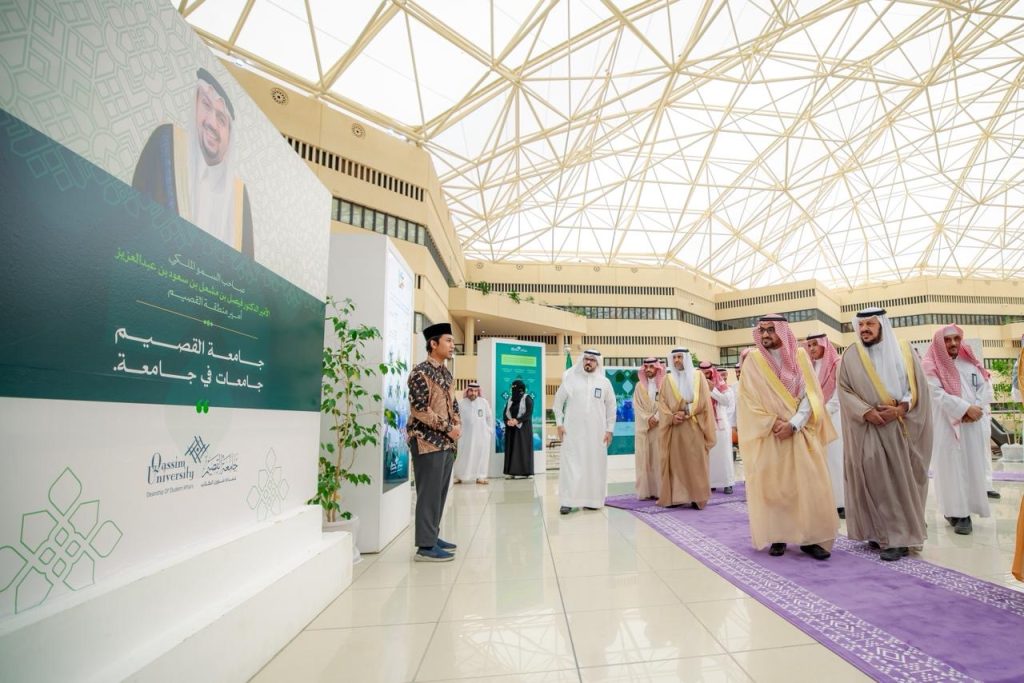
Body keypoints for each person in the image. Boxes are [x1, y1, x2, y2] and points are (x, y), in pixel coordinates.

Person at [738, 314, 836, 560]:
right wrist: (773, 424)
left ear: (782, 331)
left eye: (771, 330)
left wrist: (793, 423)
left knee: (809, 486)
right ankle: (778, 536)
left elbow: (812, 395)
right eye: (762, 330)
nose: (766, 335)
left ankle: (811, 538)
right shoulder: (753, 361)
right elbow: (747, 400)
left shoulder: (801, 357)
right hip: (770, 435)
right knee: (775, 488)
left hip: (798, 431)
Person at [838, 308, 932, 560]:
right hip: (867, 425)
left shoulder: (904, 350)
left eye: (871, 324)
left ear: (882, 325)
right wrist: (865, 411)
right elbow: (844, 390)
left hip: (898, 426)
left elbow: (917, 387)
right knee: (872, 478)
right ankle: (876, 532)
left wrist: (900, 409)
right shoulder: (851, 354)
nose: (865, 329)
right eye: (861, 325)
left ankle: (899, 538)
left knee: (898, 482)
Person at [133, 68, 254, 256]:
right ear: (195, 105)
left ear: (230, 137)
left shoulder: (238, 196)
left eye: (221, 120)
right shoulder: (165, 142)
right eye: (206, 105)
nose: (212, 124)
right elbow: (134, 223)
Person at [922, 325, 992, 535]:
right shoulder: (929, 365)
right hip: (946, 425)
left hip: (973, 425)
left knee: (972, 467)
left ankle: (968, 509)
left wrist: (976, 408)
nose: (953, 343)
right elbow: (936, 393)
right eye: (947, 340)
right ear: (939, 343)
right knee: (950, 469)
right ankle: (958, 513)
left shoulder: (970, 362)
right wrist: (964, 409)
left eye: (956, 339)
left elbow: (985, 386)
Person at [407, 322, 460, 562]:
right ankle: (425, 547)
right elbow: (419, 410)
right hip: (427, 441)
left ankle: (433, 535)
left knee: (439, 494)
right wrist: (449, 428)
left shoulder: (446, 373)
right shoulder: (420, 373)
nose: (452, 345)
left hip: (446, 443)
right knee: (428, 494)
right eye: (447, 340)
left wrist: (456, 427)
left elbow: (453, 404)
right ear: (433, 343)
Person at [553, 350, 616, 514]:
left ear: (598, 363)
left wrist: (610, 430)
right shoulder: (571, 379)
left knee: (595, 465)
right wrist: (559, 424)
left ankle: (593, 500)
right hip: (572, 432)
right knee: (571, 465)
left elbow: (611, 408)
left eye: (592, 360)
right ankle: (568, 501)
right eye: (586, 359)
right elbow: (558, 403)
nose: (588, 362)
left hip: (597, 434)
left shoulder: (604, 382)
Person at [656, 348, 715, 509]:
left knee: (696, 462)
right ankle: (676, 497)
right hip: (674, 428)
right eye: (674, 357)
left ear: (686, 358)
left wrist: (687, 411)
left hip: (694, 425)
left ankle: (698, 497)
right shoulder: (667, 379)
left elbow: (703, 400)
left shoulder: (698, 376)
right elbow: (661, 403)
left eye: (680, 357)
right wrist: (671, 417)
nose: (676, 360)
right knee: (675, 462)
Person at [806, 333, 846, 519]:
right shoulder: (809, 367)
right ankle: (824, 501)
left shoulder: (837, 365)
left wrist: (819, 413)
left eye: (815, 344)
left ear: (824, 345)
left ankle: (840, 503)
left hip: (834, 420)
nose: (812, 348)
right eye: (810, 345)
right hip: (813, 421)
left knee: (835, 461)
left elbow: (838, 399)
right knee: (818, 461)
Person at [699, 361, 734, 494]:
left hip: (721, 426)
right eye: (702, 373)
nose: (705, 375)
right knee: (710, 455)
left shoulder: (723, 387)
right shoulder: (698, 386)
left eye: (707, 373)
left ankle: (728, 483)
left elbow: (726, 401)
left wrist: (712, 389)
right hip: (705, 424)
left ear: (712, 372)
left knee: (724, 454)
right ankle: (712, 482)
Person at [632, 358, 665, 499]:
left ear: (657, 368)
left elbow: (667, 402)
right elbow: (637, 406)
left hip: (659, 427)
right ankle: (647, 491)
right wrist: (647, 419)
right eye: (646, 367)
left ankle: (660, 491)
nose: (649, 369)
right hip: (644, 428)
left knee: (659, 459)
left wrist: (656, 417)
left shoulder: (664, 384)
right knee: (644, 459)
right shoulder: (639, 386)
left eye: (652, 366)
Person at [454, 382, 492, 485]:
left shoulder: (484, 402)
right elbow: (456, 418)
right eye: (471, 391)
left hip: (481, 435)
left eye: (476, 391)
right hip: (465, 435)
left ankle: (481, 476)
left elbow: (489, 417)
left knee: (481, 455)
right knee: (463, 455)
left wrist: (489, 430)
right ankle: (459, 476)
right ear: (467, 391)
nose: (473, 393)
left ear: (478, 391)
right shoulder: (461, 403)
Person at [503, 379, 535, 479]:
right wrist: (507, 421)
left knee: (523, 449)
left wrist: (518, 420)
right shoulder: (510, 399)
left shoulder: (527, 398)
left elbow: (528, 414)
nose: (514, 390)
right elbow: (505, 413)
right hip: (511, 428)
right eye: (512, 388)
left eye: (515, 388)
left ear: (521, 389)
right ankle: (511, 472)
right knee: (512, 449)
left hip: (523, 429)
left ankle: (527, 472)